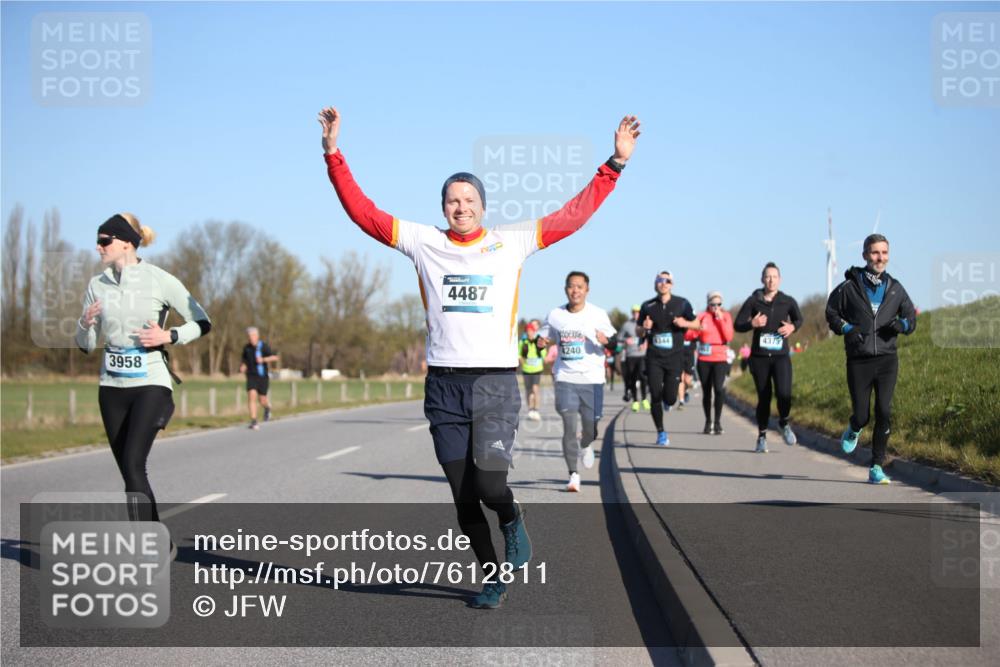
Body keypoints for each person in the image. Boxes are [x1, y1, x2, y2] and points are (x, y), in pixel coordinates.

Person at [319, 106, 640, 608]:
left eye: (469, 199)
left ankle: (513, 520)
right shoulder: (424, 243)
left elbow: (572, 215)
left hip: (493, 381)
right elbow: (364, 213)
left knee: (491, 484)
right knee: (463, 496)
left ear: (483, 207)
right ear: (443, 207)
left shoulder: (509, 242)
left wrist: (613, 165)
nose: (460, 206)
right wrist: (333, 155)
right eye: (452, 199)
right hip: (444, 385)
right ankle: (493, 575)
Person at [76, 213, 211, 558]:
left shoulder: (159, 280)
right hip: (111, 388)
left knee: (134, 463)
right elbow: (85, 345)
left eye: (104, 240)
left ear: (126, 242)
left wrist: (170, 335)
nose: (98, 246)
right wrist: (85, 322)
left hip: (151, 383)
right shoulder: (97, 284)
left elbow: (203, 321)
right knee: (129, 471)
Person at [826, 234, 916, 484]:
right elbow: (831, 312)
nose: (880, 258)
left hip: (887, 359)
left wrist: (903, 324)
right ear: (865, 255)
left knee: (884, 411)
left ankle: (876, 466)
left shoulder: (896, 288)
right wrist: (847, 329)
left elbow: (912, 319)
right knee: (863, 415)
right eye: (875, 253)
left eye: (884, 252)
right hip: (859, 360)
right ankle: (854, 427)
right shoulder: (849, 287)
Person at [538, 272, 617, 493]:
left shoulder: (598, 314)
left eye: (580, 287)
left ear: (587, 290)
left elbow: (614, 343)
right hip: (565, 378)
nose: (575, 291)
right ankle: (573, 474)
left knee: (591, 429)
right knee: (569, 427)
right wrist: (540, 343)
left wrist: (606, 340)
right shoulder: (555, 315)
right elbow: (541, 338)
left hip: (592, 380)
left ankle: (586, 444)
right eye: (571, 286)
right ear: (566, 289)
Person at [734, 262, 803, 453]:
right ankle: (762, 436)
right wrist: (752, 323)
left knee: (784, 394)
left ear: (779, 280)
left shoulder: (787, 301)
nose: (771, 280)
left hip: (781, 356)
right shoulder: (754, 300)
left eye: (774, 276)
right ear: (762, 279)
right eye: (767, 276)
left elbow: (799, 319)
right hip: (760, 358)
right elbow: (738, 324)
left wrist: (792, 327)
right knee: (764, 398)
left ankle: (783, 423)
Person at [637, 271, 698, 446]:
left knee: (670, 398)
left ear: (672, 284)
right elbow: (638, 331)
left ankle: (669, 401)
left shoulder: (682, 303)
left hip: (674, 357)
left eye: (667, 281)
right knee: (655, 394)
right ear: (655, 284)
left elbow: (698, 324)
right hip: (654, 357)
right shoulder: (647, 306)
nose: (663, 283)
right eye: (660, 280)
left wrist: (684, 323)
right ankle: (661, 432)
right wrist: (644, 328)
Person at [690, 291, 734, 434]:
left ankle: (718, 422)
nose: (716, 307)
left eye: (719, 304)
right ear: (708, 304)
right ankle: (708, 421)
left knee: (719, 390)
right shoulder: (702, 316)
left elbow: (729, 335)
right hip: (704, 359)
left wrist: (720, 319)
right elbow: (689, 334)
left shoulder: (726, 316)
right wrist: (697, 329)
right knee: (707, 391)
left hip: (720, 359)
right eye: (713, 304)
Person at [239, 327, 279, 430]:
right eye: (249, 336)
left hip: (263, 377)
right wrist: (243, 366)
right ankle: (254, 421)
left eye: (253, 336)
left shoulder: (263, 346)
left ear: (257, 336)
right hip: (251, 376)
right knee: (251, 396)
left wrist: (263, 359)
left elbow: (275, 357)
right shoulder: (246, 348)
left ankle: (267, 408)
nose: (251, 338)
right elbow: (244, 360)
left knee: (262, 400)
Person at [620, 304, 649, 412]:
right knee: (632, 378)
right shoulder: (626, 325)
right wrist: (625, 341)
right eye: (634, 312)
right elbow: (619, 338)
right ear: (632, 313)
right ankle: (635, 401)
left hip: (642, 355)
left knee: (643, 377)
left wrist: (646, 343)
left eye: (638, 312)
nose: (636, 314)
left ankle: (644, 399)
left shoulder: (645, 324)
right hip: (630, 355)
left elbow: (650, 335)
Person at [519, 320, 545, 421]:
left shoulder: (538, 341)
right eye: (528, 331)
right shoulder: (522, 342)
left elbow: (544, 354)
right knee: (528, 390)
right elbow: (519, 355)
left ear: (534, 331)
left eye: (531, 331)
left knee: (535, 389)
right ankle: (530, 410)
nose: (529, 332)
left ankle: (536, 409)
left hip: (537, 369)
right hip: (526, 369)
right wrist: (523, 363)